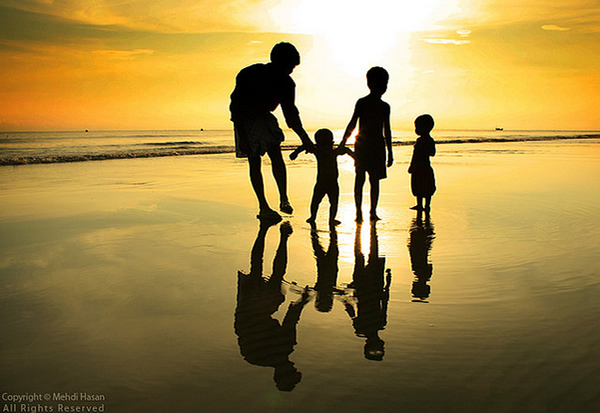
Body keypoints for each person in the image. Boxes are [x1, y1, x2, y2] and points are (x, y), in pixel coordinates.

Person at [230, 42, 314, 221]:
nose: (291, 71)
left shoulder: (287, 83)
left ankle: (283, 198)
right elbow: (235, 105)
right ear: (279, 62)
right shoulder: (250, 73)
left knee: (276, 156)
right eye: (290, 66)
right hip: (244, 119)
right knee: (254, 161)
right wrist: (243, 136)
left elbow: (291, 114)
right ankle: (263, 206)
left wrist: (305, 139)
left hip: (265, 117)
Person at [340, 67, 394, 223]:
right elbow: (353, 123)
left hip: (371, 145)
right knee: (366, 179)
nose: (385, 86)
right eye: (384, 83)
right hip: (369, 145)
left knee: (367, 180)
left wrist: (390, 152)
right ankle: (363, 212)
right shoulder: (367, 103)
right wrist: (343, 141)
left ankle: (368, 212)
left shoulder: (380, 105)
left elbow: (386, 130)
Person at [290, 129, 354, 225]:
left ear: (332, 143)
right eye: (322, 145)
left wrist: (355, 157)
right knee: (317, 201)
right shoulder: (322, 152)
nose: (325, 148)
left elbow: (346, 150)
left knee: (332, 202)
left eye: (326, 145)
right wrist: (295, 152)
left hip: (330, 183)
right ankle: (313, 217)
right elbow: (306, 146)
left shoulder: (328, 152)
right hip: (322, 182)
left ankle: (330, 219)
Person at [408, 114, 436, 212]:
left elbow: (432, 153)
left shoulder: (427, 140)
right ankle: (420, 204)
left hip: (423, 166)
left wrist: (423, 149)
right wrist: (411, 165)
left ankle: (427, 205)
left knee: (426, 187)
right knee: (418, 187)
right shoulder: (419, 140)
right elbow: (414, 155)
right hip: (418, 167)